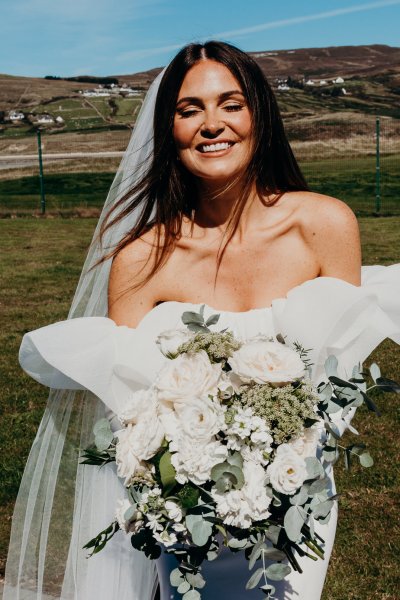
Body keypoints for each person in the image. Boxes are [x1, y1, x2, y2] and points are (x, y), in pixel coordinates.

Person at [3, 41, 400, 600]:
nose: (211, 124)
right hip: (186, 519)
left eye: (230, 104)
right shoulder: (144, 256)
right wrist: (183, 482)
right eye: (189, 110)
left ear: (259, 115)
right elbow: (128, 410)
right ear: (169, 130)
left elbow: (339, 378)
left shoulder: (324, 225)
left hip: (297, 501)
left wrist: (282, 463)